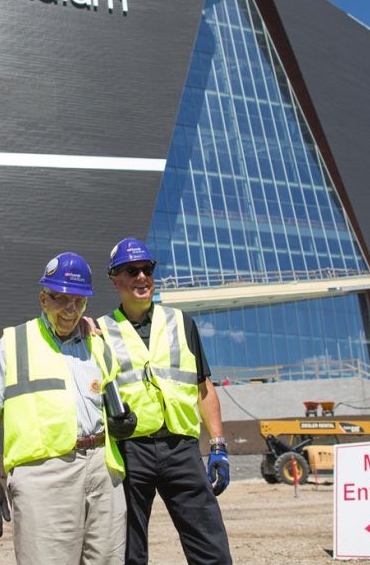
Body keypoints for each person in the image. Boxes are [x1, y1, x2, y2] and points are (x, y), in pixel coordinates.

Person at [0, 252, 138, 565]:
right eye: (62, 299)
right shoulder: (15, 343)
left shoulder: (97, 342)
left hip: (102, 472)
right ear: (43, 299)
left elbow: (114, 401)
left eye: (79, 301)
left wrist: (123, 422)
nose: (70, 310)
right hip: (43, 476)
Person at [95, 237, 233, 565]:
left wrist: (218, 445)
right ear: (116, 279)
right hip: (131, 451)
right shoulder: (99, 331)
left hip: (181, 448)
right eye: (132, 271)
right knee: (129, 549)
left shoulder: (181, 323)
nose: (142, 277)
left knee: (209, 543)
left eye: (147, 269)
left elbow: (203, 386)